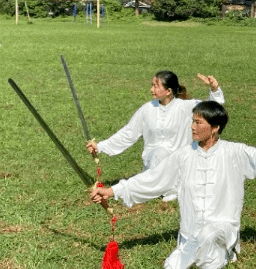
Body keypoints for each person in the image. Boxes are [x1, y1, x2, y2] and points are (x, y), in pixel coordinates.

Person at [90, 100, 256, 269]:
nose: (192, 127)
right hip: (191, 234)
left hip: (223, 229)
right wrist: (112, 191)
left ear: (215, 128)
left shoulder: (234, 152)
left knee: (208, 255)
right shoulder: (183, 155)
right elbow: (153, 179)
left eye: (198, 122)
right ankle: (192, 252)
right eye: (192, 121)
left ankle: (224, 252)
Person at [87, 71, 225, 200]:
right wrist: (100, 146)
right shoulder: (147, 109)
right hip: (153, 161)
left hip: (180, 163)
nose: (151, 90)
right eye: (152, 85)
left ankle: (172, 187)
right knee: (159, 153)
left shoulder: (185, 107)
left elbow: (213, 108)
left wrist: (214, 89)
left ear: (168, 91)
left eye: (155, 86)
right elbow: (129, 132)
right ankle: (159, 186)